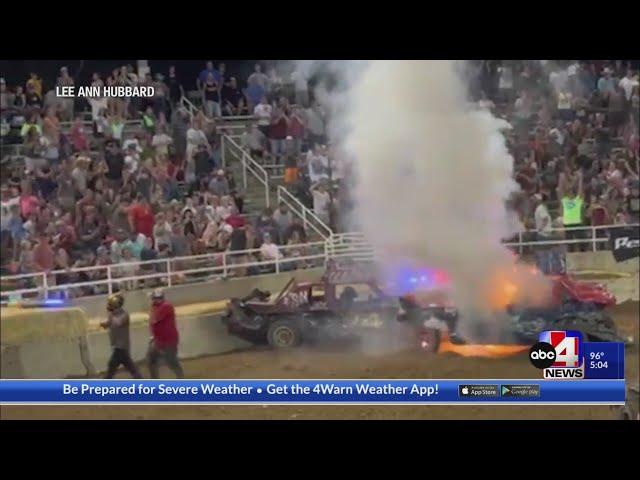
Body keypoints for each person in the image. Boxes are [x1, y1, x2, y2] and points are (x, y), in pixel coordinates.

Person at [100, 293, 143, 379]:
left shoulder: (124, 315)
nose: (108, 306)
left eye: (110, 304)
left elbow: (117, 323)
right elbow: (108, 324)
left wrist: (111, 316)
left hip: (121, 346)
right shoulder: (112, 315)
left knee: (112, 367)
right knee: (131, 368)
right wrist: (103, 324)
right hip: (118, 346)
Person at [147, 289, 184, 379]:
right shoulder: (155, 306)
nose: (156, 300)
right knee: (151, 359)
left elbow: (154, 319)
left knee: (171, 361)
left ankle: (181, 378)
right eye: (155, 298)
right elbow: (152, 323)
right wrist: (153, 336)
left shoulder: (166, 306)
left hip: (169, 340)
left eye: (157, 298)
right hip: (158, 339)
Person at [561, 170, 585, 252]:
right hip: (568, 225)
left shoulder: (577, 200)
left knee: (581, 243)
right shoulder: (564, 200)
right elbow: (561, 190)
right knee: (570, 246)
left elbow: (580, 190)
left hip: (576, 224)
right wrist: (577, 179)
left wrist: (580, 179)